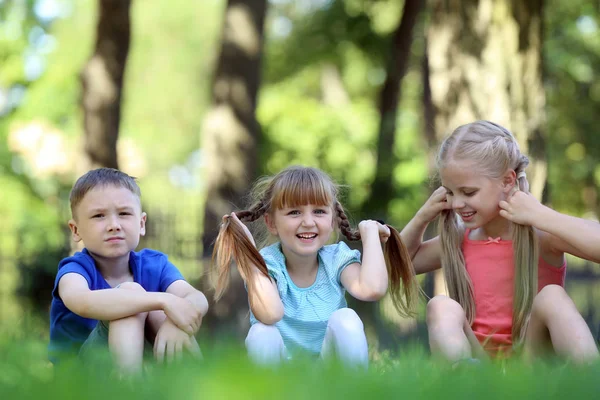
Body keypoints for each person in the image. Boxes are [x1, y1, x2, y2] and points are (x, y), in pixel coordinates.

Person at [401, 120, 600, 363]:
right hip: (480, 366)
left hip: (532, 363)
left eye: (469, 192)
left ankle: (589, 382)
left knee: (552, 296)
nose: (455, 204)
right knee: (440, 305)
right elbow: (398, 265)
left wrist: (542, 215)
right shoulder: (459, 239)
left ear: (507, 181)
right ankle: (464, 381)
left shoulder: (540, 234)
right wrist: (422, 216)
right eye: (450, 192)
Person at [211, 166, 419, 367]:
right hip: (282, 374)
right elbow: (271, 314)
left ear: (333, 222)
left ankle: (353, 389)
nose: (308, 222)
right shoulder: (267, 263)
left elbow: (372, 289)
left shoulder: (336, 258)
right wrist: (250, 258)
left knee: (346, 318)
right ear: (271, 223)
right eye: (294, 212)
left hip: (329, 370)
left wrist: (371, 234)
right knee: (262, 333)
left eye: (319, 211)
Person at [49, 168, 208, 373]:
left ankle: (195, 387)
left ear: (141, 223)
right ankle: (127, 390)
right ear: (76, 230)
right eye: (99, 216)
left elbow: (196, 298)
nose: (114, 225)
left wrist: (173, 323)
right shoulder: (75, 270)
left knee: (165, 313)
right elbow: (82, 301)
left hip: (142, 366)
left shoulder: (154, 264)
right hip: (79, 380)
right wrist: (163, 301)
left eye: (124, 213)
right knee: (131, 298)